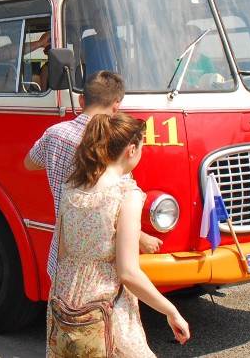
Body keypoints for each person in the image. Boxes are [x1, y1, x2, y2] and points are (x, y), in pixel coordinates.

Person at [48, 113, 190, 356]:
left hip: (65, 307)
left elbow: (62, 253)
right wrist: (170, 310)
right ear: (131, 149)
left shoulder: (71, 187)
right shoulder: (126, 195)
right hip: (106, 312)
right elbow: (128, 273)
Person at [24, 70, 162, 280]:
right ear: (116, 105)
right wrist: (141, 237)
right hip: (100, 271)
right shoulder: (115, 145)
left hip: (62, 258)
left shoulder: (54, 133)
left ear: (81, 99)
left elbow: (29, 163)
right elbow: (114, 212)